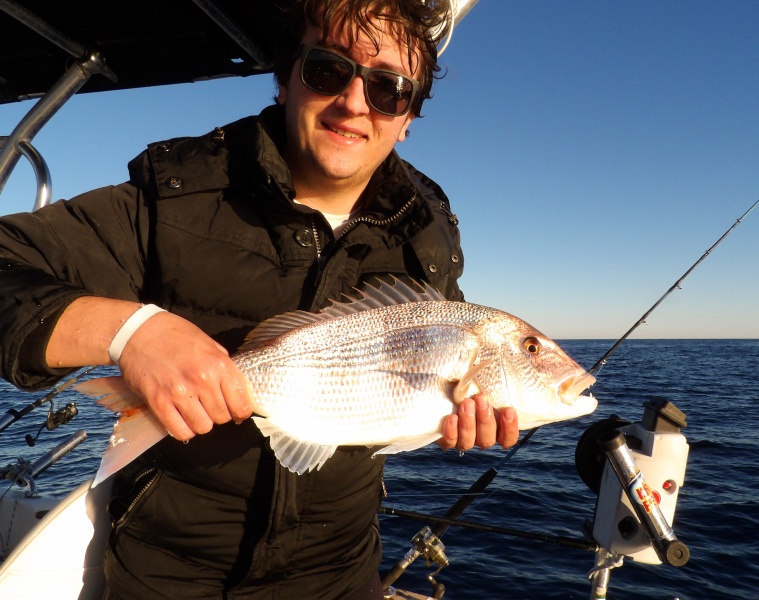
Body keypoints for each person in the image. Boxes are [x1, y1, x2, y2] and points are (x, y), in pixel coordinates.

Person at [0, 0, 519, 598]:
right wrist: (129, 330)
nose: (354, 103)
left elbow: (425, 380)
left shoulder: (426, 232)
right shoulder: (177, 195)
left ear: (407, 118)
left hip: (341, 571)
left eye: (389, 88)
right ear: (285, 79)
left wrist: (454, 421)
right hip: (170, 571)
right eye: (328, 70)